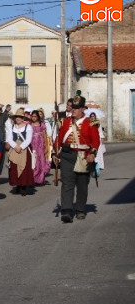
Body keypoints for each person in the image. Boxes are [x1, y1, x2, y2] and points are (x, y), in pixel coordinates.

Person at [54, 95, 101, 223]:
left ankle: (80, 209)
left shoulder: (90, 123)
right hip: (67, 155)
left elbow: (96, 141)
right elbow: (58, 139)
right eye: (72, 107)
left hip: (83, 157)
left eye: (76, 108)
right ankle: (67, 210)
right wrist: (55, 153)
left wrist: (92, 153)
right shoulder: (65, 122)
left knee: (81, 184)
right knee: (67, 183)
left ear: (82, 109)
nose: (73, 110)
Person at [7, 109, 34, 196]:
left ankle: (23, 186)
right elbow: (9, 138)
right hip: (14, 148)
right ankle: (17, 184)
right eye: (16, 117)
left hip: (24, 149)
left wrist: (21, 147)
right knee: (14, 167)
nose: (18, 118)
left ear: (23, 118)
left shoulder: (28, 127)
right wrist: (15, 146)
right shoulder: (12, 127)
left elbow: (28, 139)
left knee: (24, 168)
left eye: (20, 117)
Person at [29, 110, 51, 185]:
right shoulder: (29, 124)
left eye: (35, 116)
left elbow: (45, 136)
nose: (34, 118)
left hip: (40, 144)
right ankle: (32, 178)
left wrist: (46, 147)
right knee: (33, 161)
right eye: (32, 116)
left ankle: (39, 178)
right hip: (32, 144)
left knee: (40, 160)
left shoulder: (41, 124)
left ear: (38, 117)